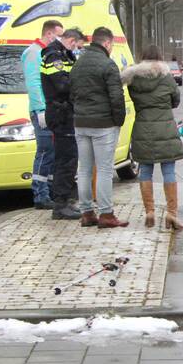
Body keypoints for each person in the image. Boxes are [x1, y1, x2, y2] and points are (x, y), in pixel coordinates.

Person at [70, 27, 128, 228]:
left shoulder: (77, 64)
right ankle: (106, 214)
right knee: (104, 169)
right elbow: (116, 97)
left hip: (81, 122)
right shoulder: (107, 64)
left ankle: (86, 212)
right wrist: (118, 120)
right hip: (103, 124)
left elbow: (71, 93)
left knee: (84, 169)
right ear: (107, 43)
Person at [122, 45, 183, 231]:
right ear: (159, 58)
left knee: (145, 170)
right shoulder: (166, 77)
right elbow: (176, 100)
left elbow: (134, 99)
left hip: (143, 128)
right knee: (169, 171)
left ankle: (149, 211)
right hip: (165, 127)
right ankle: (171, 214)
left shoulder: (133, 79)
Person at [40, 27, 84, 220]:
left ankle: (65, 201)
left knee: (69, 158)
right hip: (61, 113)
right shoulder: (54, 56)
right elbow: (62, 84)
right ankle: (60, 205)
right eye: (76, 45)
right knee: (65, 160)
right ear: (72, 40)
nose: (76, 49)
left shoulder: (64, 54)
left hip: (65, 112)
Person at [22, 19, 63, 209]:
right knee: (45, 150)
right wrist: (41, 110)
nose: (60, 39)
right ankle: (40, 193)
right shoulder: (33, 53)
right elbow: (34, 84)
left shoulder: (47, 53)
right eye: (58, 35)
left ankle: (50, 191)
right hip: (43, 111)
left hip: (51, 110)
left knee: (53, 152)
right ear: (49, 34)